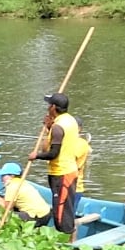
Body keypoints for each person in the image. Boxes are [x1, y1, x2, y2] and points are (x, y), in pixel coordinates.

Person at [34, 92, 90, 236]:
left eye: (49, 105)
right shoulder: (70, 120)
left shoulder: (58, 127)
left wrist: (36, 156)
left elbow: (53, 153)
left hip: (61, 173)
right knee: (64, 209)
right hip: (67, 172)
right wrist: (48, 128)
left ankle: (64, 247)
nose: (47, 107)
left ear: (53, 107)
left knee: (61, 212)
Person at [0, 162, 52, 227]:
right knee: (15, 209)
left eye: (3, 175)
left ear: (12, 175)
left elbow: (7, 207)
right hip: (46, 214)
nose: (1, 178)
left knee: (4, 215)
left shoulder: (12, 186)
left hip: (36, 217)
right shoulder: (22, 182)